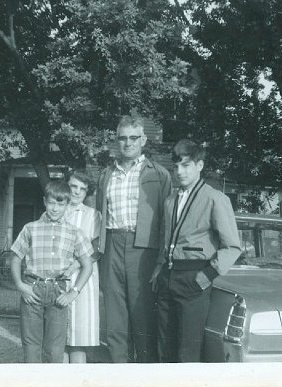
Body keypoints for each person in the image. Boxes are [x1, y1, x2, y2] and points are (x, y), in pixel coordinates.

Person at [151, 139, 242, 362]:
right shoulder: (170, 200)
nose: (180, 172)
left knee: (188, 351)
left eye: (186, 165)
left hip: (194, 278)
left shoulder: (215, 198)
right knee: (165, 347)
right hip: (168, 278)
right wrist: (158, 271)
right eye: (176, 166)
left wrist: (205, 277)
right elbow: (167, 239)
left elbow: (232, 247)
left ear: (199, 165)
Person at [96, 115, 172, 363]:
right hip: (112, 245)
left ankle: (146, 374)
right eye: (122, 138)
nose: (127, 143)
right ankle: (119, 371)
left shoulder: (159, 175)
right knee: (116, 315)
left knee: (142, 314)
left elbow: (167, 222)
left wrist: (161, 261)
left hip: (144, 250)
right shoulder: (106, 175)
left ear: (143, 140)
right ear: (116, 141)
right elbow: (99, 216)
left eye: (133, 138)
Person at [9, 180, 94, 363]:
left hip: (59, 292)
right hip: (33, 290)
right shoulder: (30, 228)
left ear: (67, 204)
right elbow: (15, 259)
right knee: (31, 345)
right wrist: (20, 285)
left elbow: (88, 265)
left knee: (55, 349)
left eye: (60, 204)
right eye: (51, 203)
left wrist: (74, 292)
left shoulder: (74, 232)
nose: (55, 208)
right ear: (44, 201)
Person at [60, 170, 102, 363]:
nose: (77, 192)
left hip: (82, 278)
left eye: (82, 189)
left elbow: (97, 248)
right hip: (57, 276)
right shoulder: (54, 210)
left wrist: (77, 264)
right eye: (73, 186)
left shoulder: (92, 215)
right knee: (59, 336)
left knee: (77, 338)